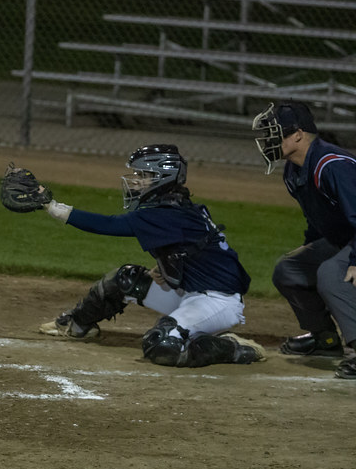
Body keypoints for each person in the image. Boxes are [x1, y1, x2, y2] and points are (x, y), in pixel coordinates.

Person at [37, 144, 265, 368]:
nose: (135, 180)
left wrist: (52, 207)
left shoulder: (166, 214)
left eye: (143, 175)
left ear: (162, 178)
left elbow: (107, 224)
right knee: (126, 279)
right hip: (190, 291)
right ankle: (77, 325)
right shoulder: (175, 207)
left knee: (162, 345)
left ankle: (232, 347)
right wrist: (167, 268)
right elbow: (192, 251)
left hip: (217, 302)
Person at [252, 101, 356, 380]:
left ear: (298, 135)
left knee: (331, 274)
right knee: (289, 268)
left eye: (275, 134)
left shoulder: (332, 166)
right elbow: (319, 218)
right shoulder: (293, 170)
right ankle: (325, 340)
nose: (269, 142)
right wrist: (311, 245)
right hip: (347, 239)